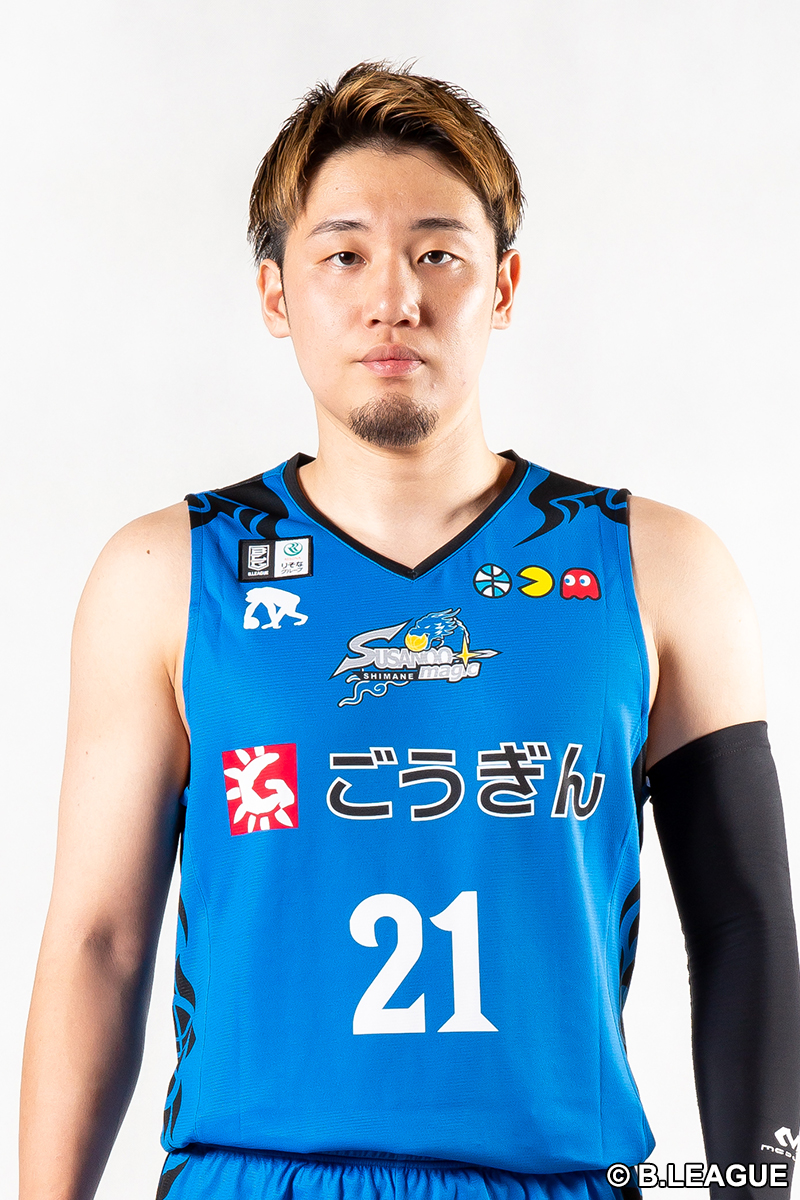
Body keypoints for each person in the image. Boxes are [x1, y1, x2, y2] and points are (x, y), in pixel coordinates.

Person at [19, 61, 800, 1200]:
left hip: (554, 1178)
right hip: (257, 1176)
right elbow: (99, 942)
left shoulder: (660, 569)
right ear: (276, 294)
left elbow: (743, 930)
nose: (394, 299)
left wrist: (752, 1190)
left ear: (503, 284)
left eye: (438, 253)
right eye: (344, 256)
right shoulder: (167, 575)